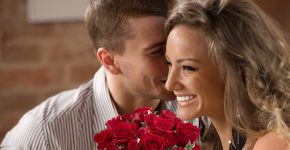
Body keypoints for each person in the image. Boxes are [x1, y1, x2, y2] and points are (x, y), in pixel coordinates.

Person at [0, 0, 181, 149]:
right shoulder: (46, 133)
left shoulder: (198, 111)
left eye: (175, 46)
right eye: (157, 51)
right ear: (110, 61)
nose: (175, 60)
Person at [164, 0, 290, 150]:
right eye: (169, 64)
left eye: (188, 68)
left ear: (236, 69)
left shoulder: (273, 144)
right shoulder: (221, 141)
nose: (169, 84)